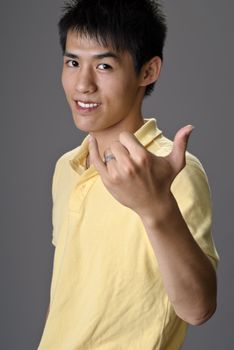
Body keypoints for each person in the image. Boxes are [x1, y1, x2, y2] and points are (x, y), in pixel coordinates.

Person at [38, 0, 219, 349]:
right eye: (72, 62)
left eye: (104, 65)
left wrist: (155, 207)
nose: (83, 84)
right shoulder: (67, 167)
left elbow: (199, 309)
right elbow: (66, 295)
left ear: (148, 71)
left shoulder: (172, 171)